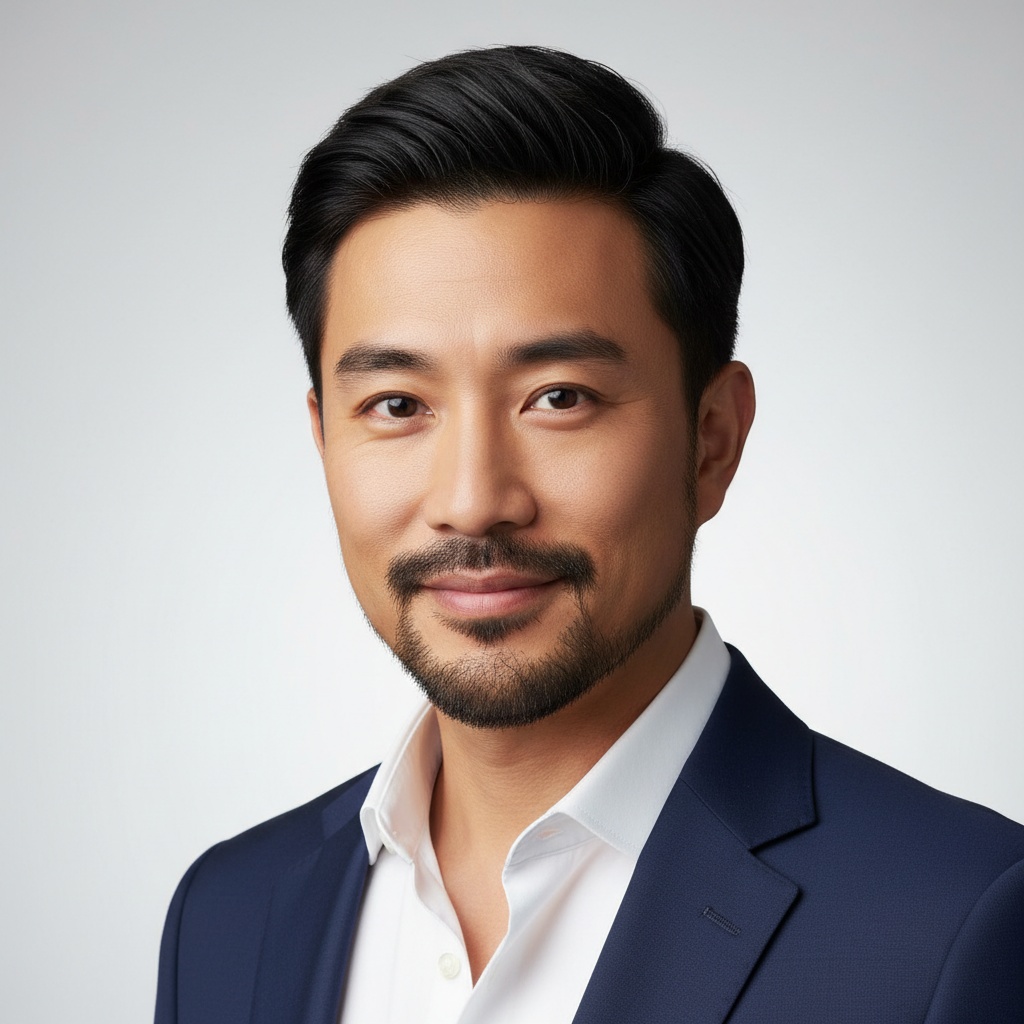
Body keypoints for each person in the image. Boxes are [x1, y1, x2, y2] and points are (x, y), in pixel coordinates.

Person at [155, 46, 1024, 1024]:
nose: (474, 499)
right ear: (323, 438)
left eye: (558, 398)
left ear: (711, 439)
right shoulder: (227, 917)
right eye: (398, 403)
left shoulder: (956, 923)